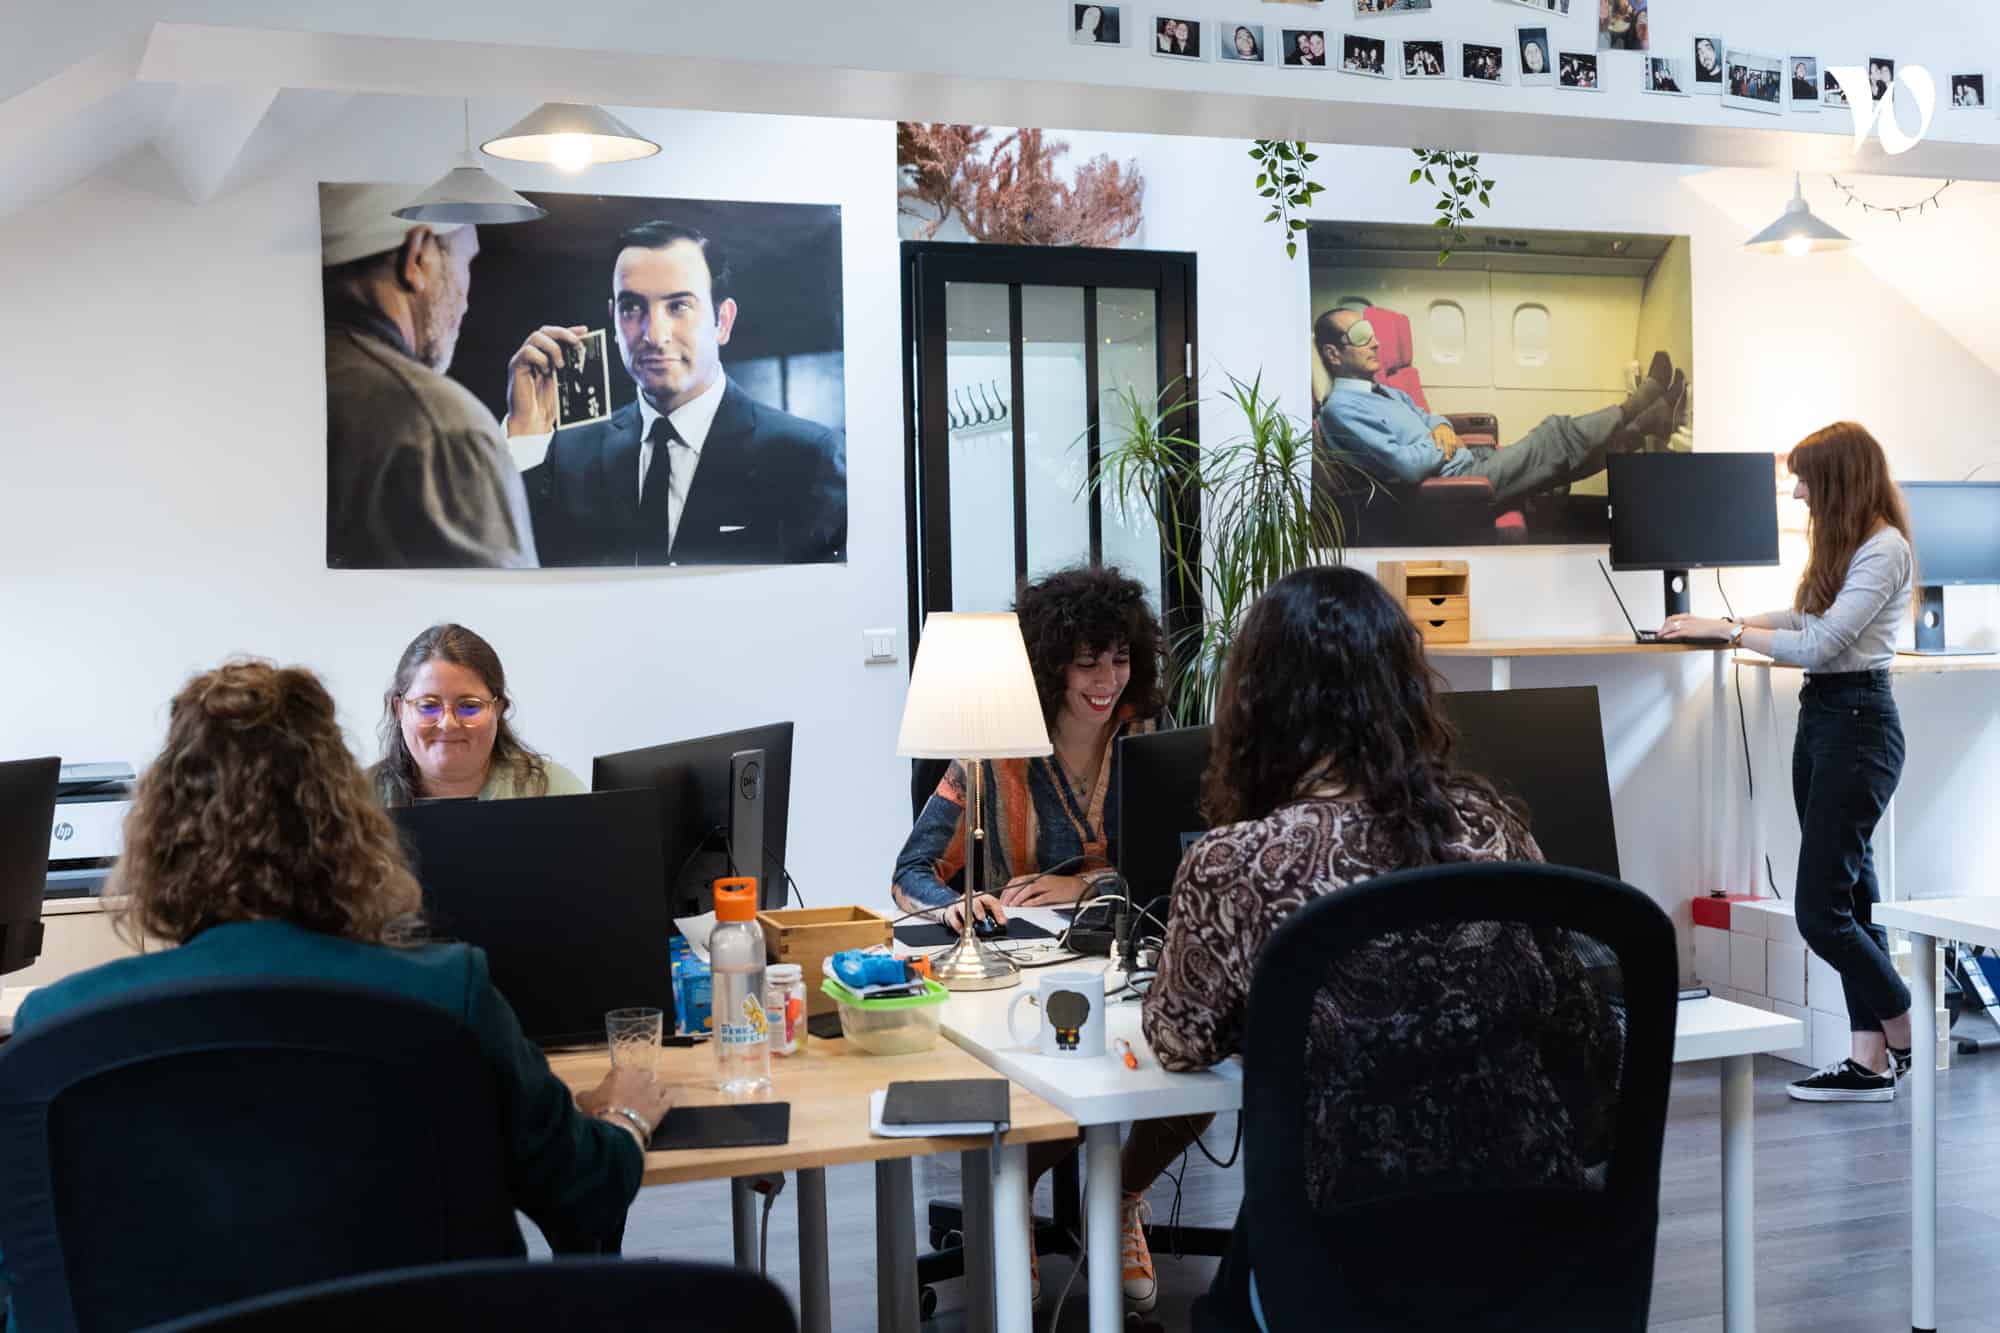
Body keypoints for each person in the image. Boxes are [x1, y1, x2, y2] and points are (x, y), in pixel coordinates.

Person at [4, 660, 671, 1279]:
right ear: (348, 823)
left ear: (159, 836)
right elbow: (584, 1191)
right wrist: (625, 1116)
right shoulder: (446, 995)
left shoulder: (55, 1032)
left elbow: (27, 1269)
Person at [1142, 566, 1621, 1324]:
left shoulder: (1237, 861)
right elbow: (1573, 1016)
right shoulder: (1493, 826)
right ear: (1403, 693)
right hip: (1531, 1238)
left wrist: (1263, 1019)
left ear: (1258, 704)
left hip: (1349, 1255)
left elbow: (1177, 1036)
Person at [889, 565, 1193, 1313]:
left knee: (1198, 1077)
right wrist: (959, 905)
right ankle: (1012, 1201)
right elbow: (911, 870)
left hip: (1130, 964)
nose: (1106, 679)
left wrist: (1089, 884)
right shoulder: (996, 753)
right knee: (1065, 1081)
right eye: (1086, 661)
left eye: (1120, 658)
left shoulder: (1150, 739)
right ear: (1050, 662)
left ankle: (1119, 1194)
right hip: (1026, 985)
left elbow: (1184, 863)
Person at [1663, 424, 1917, 1103]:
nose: (1797, 490)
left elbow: (1823, 643)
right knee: (1854, 895)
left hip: (1859, 724)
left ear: (1837, 478)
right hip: (1827, 719)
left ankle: (1903, 1023)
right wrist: (1720, 622)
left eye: (1805, 478)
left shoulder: (1885, 548)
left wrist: (1732, 632)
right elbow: (1807, 616)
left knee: (1821, 912)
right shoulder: (1844, 546)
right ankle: (1868, 1064)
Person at [505, 221, 846, 566]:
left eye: (678, 306)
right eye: (631, 308)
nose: (653, 334)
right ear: (613, 321)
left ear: (722, 321)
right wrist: (525, 435)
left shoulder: (807, 458)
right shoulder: (570, 455)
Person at [320, 183, 537, 570]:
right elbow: (503, 621)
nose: (467, 299)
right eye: (466, 263)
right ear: (417, 258)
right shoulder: (442, 431)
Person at [1315, 308, 1682, 503]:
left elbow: (1430, 417)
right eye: (1361, 337)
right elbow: (1404, 467)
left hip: (1469, 462)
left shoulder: (1382, 389)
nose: (1376, 343)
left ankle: (1648, 423)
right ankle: (1638, 405)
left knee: (1564, 463)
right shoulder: (1342, 411)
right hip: (1455, 488)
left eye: (1373, 334)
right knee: (1554, 435)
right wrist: (1440, 443)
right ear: (1333, 353)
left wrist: (1442, 428)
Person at [373, 623, 586, 805]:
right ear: (399, 709)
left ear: (498, 709)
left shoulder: (556, 792)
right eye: (428, 706)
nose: (448, 723)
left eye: (469, 706)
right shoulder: (356, 802)